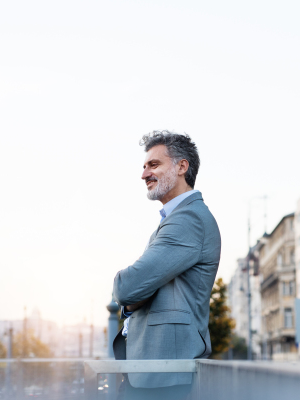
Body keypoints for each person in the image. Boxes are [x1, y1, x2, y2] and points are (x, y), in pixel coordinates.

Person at [112, 130, 221, 400]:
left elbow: (128, 287)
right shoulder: (177, 218)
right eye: (144, 166)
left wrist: (129, 296)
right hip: (156, 371)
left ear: (182, 167)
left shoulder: (188, 219)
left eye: (154, 164)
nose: (144, 174)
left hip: (165, 375)